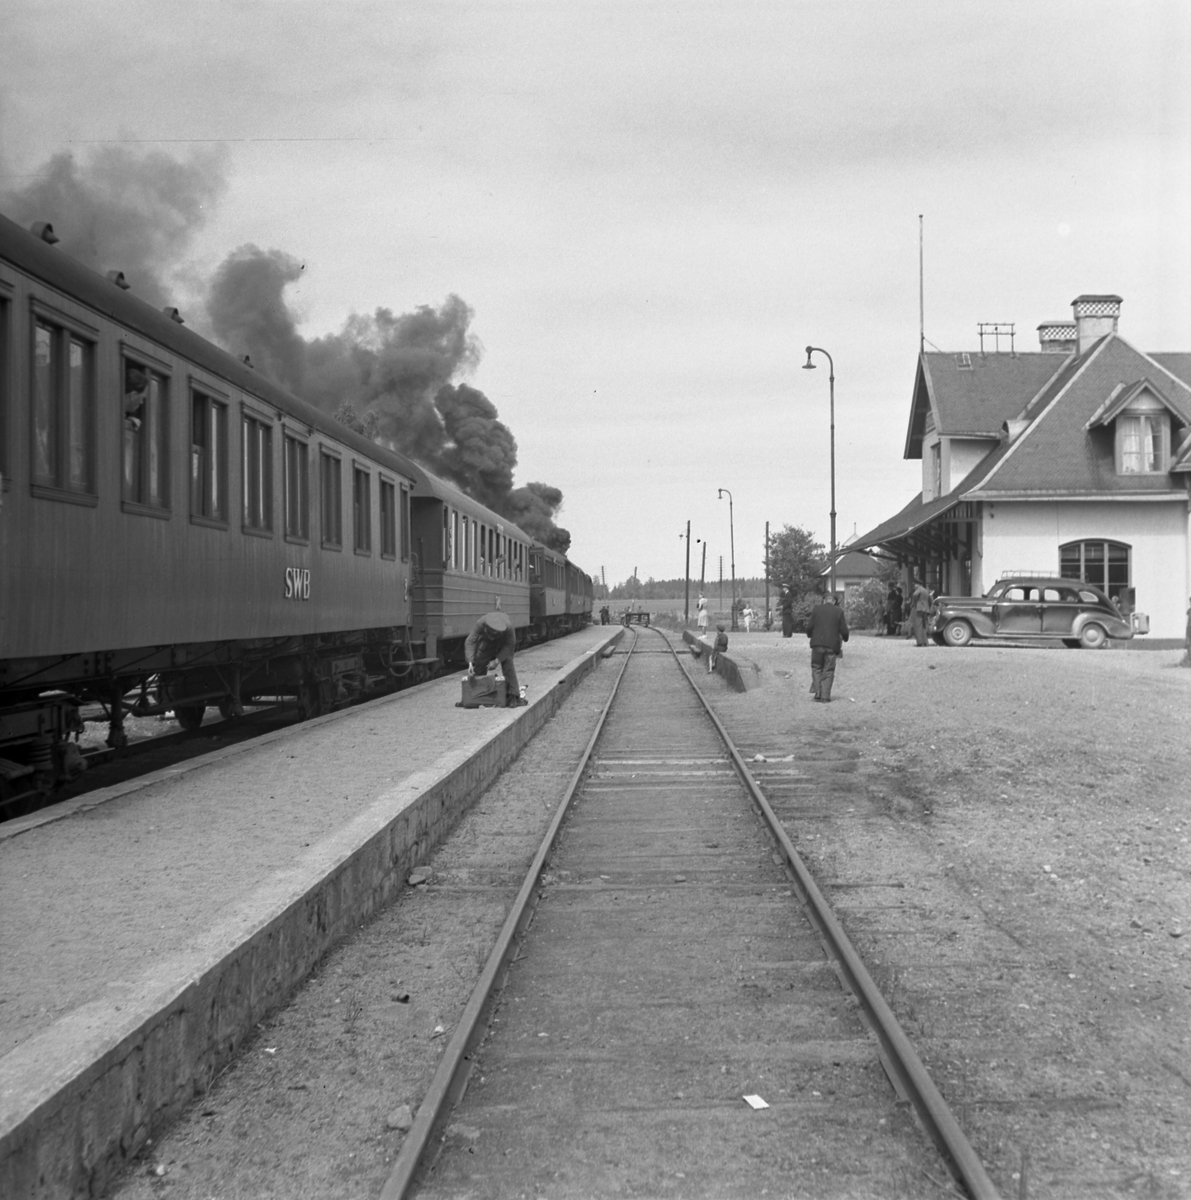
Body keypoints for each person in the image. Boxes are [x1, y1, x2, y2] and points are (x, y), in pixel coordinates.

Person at [465, 610, 527, 707]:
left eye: (495, 635)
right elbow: (470, 641)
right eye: (491, 634)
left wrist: (497, 660)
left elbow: (509, 646)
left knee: (508, 664)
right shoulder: (481, 623)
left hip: (504, 643)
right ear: (486, 628)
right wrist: (470, 663)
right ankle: (477, 692)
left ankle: (513, 695)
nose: (493, 637)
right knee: (480, 660)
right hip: (487, 642)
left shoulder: (508, 627)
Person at [806, 590, 849, 702]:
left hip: (816, 644)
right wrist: (845, 638)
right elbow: (844, 630)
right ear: (834, 602)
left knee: (816, 667)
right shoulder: (838, 611)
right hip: (831, 645)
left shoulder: (816, 609)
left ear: (824, 600)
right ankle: (825, 696)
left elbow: (809, 627)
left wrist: (810, 635)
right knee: (828, 670)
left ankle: (818, 692)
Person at [910, 579, 934, 646]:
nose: (914, 586)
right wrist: (927, 606)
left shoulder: (919, 589)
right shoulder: (926, 590)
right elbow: (931, 600)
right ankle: (925, 642)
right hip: (925, 610)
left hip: (918, 609)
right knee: (923, 626)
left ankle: (920, 642)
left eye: (915, 584)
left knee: (917, 626)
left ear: (918, 584)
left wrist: (914, 602)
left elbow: (915, 595)